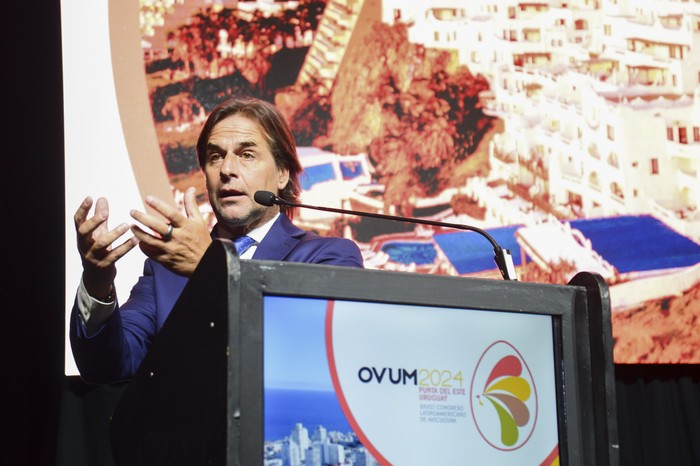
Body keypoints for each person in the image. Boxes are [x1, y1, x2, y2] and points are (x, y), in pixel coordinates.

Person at [71, 96, 364, 384]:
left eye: (247, 155)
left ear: (282, 174)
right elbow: (108, 366)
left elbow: (313, 354)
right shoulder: (164, 272)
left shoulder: (327, 257)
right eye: (215, 156)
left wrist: (210, 268)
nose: (226, 170)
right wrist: (98, 282)